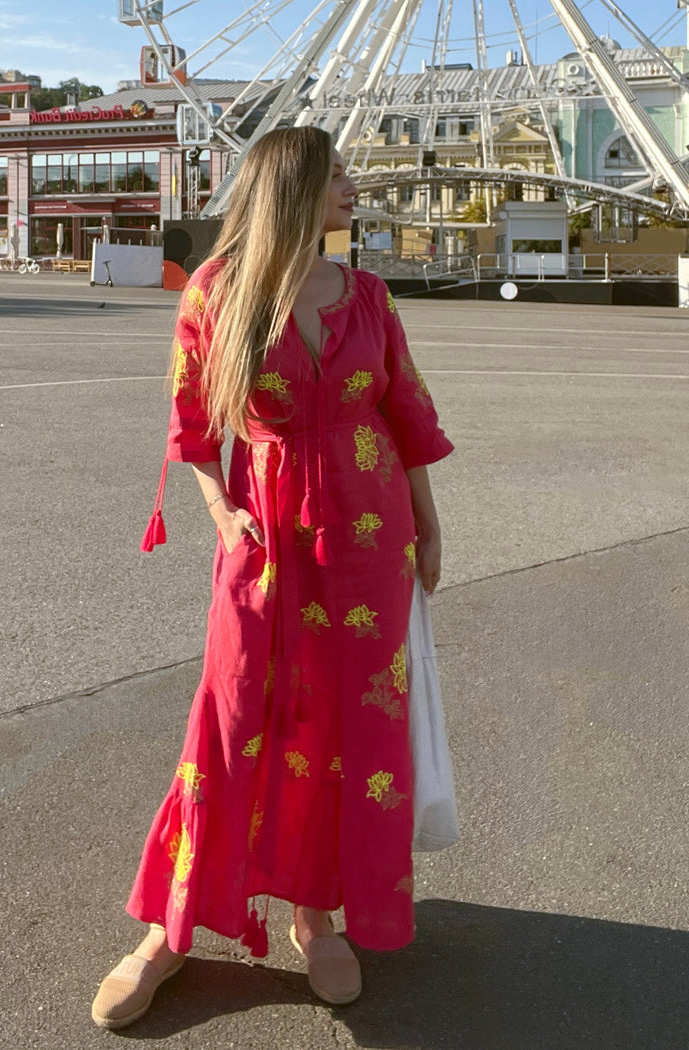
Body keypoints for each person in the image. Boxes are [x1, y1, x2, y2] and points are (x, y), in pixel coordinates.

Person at [91, 126, 454, 1030]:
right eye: (337, 176)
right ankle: (169, 931)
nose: (354, 184)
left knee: (346, 721)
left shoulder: (370, 295)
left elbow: (406, 413)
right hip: (266, 532)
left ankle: (318, 914)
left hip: (373, 541)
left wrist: (432, 526)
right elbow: (193, 425)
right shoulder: (216, 293)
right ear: (290, 186)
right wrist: (222, 515)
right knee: (235, 712)